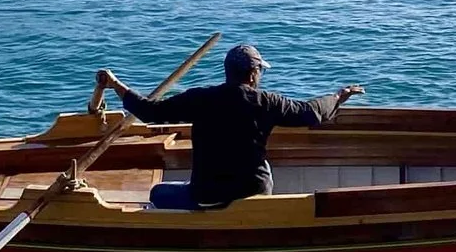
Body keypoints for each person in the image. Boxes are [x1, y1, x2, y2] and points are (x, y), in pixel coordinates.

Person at [92, 44, 361, 209]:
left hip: (208, 195)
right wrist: (339, 95)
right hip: (253, 190)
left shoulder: (200, 98)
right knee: (262, 165)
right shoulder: (267, 102)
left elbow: (149, 112)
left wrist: (115, 84)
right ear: (254, 74)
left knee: (156, 193)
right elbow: (311, 113)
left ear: (226, 72)